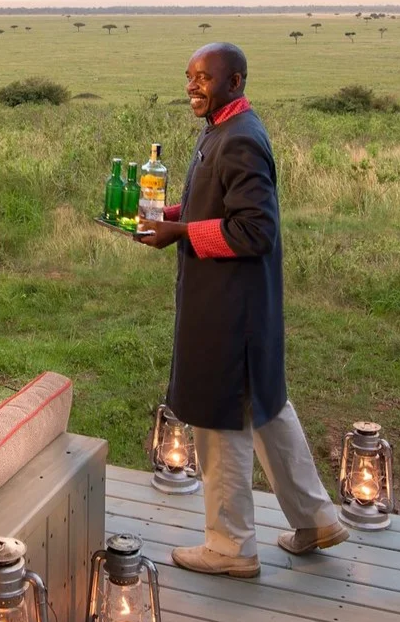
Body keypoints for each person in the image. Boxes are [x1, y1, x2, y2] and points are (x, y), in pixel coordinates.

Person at [135, 43, 348, 577]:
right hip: (239, 304)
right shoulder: (224, 129)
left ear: (235, 81)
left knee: (219, 414)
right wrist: (169, 218)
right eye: (189, 76)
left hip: (229, 307)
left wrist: (180, 233)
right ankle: (317, 519)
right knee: (265, 407)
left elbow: (255, 231)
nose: (193, 86)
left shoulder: (241, 139)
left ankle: (231, 548)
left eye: (204, 77)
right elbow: (218, 206)